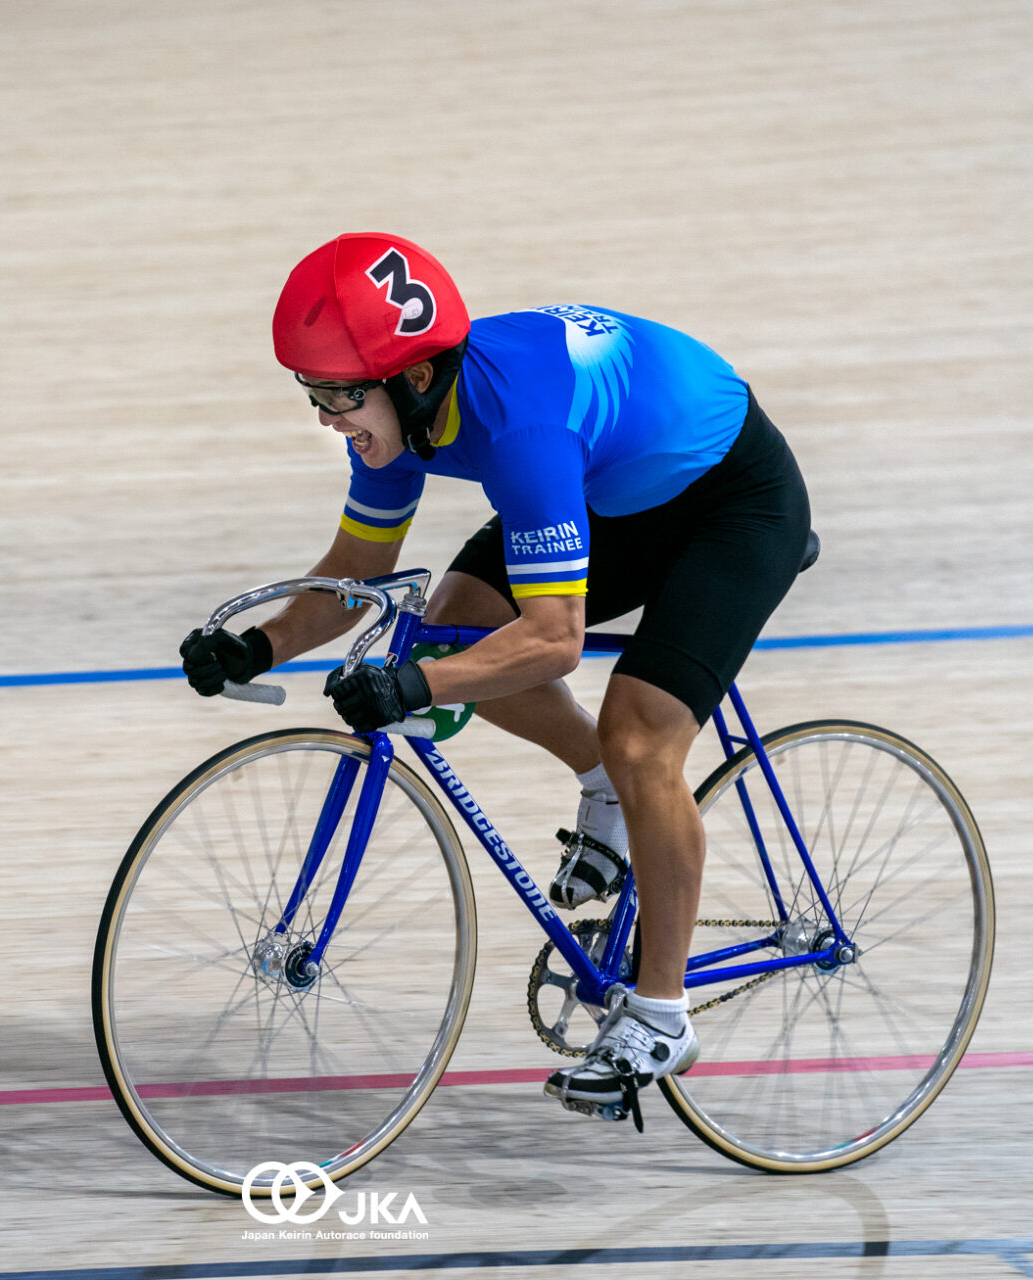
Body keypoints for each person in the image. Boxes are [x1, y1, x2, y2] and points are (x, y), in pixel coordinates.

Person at [178, 232, 812, 1122]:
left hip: (730, 504)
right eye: (313, 392)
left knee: (641, 736)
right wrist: (258, 647)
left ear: (414, 377)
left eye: (340, 395)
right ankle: (604, 789)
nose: (326, 418)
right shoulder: (395, 420)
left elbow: (553, 640)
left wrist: (417, 687)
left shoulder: (518, 427)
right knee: (454, 624)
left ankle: (660, 1016)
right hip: (609, 484)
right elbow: (358, 570)